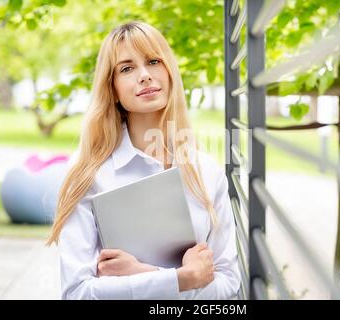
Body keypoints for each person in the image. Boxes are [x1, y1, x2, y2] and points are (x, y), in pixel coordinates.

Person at [47, 21, 240, 300]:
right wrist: (183, 278)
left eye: (153, 61)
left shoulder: (206, 171)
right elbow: (78, 293)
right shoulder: (89, 172)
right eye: (127, 68)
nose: (145, 75)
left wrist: (143, 273)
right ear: (112, 88)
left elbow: (228, 286)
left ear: (170, 72)